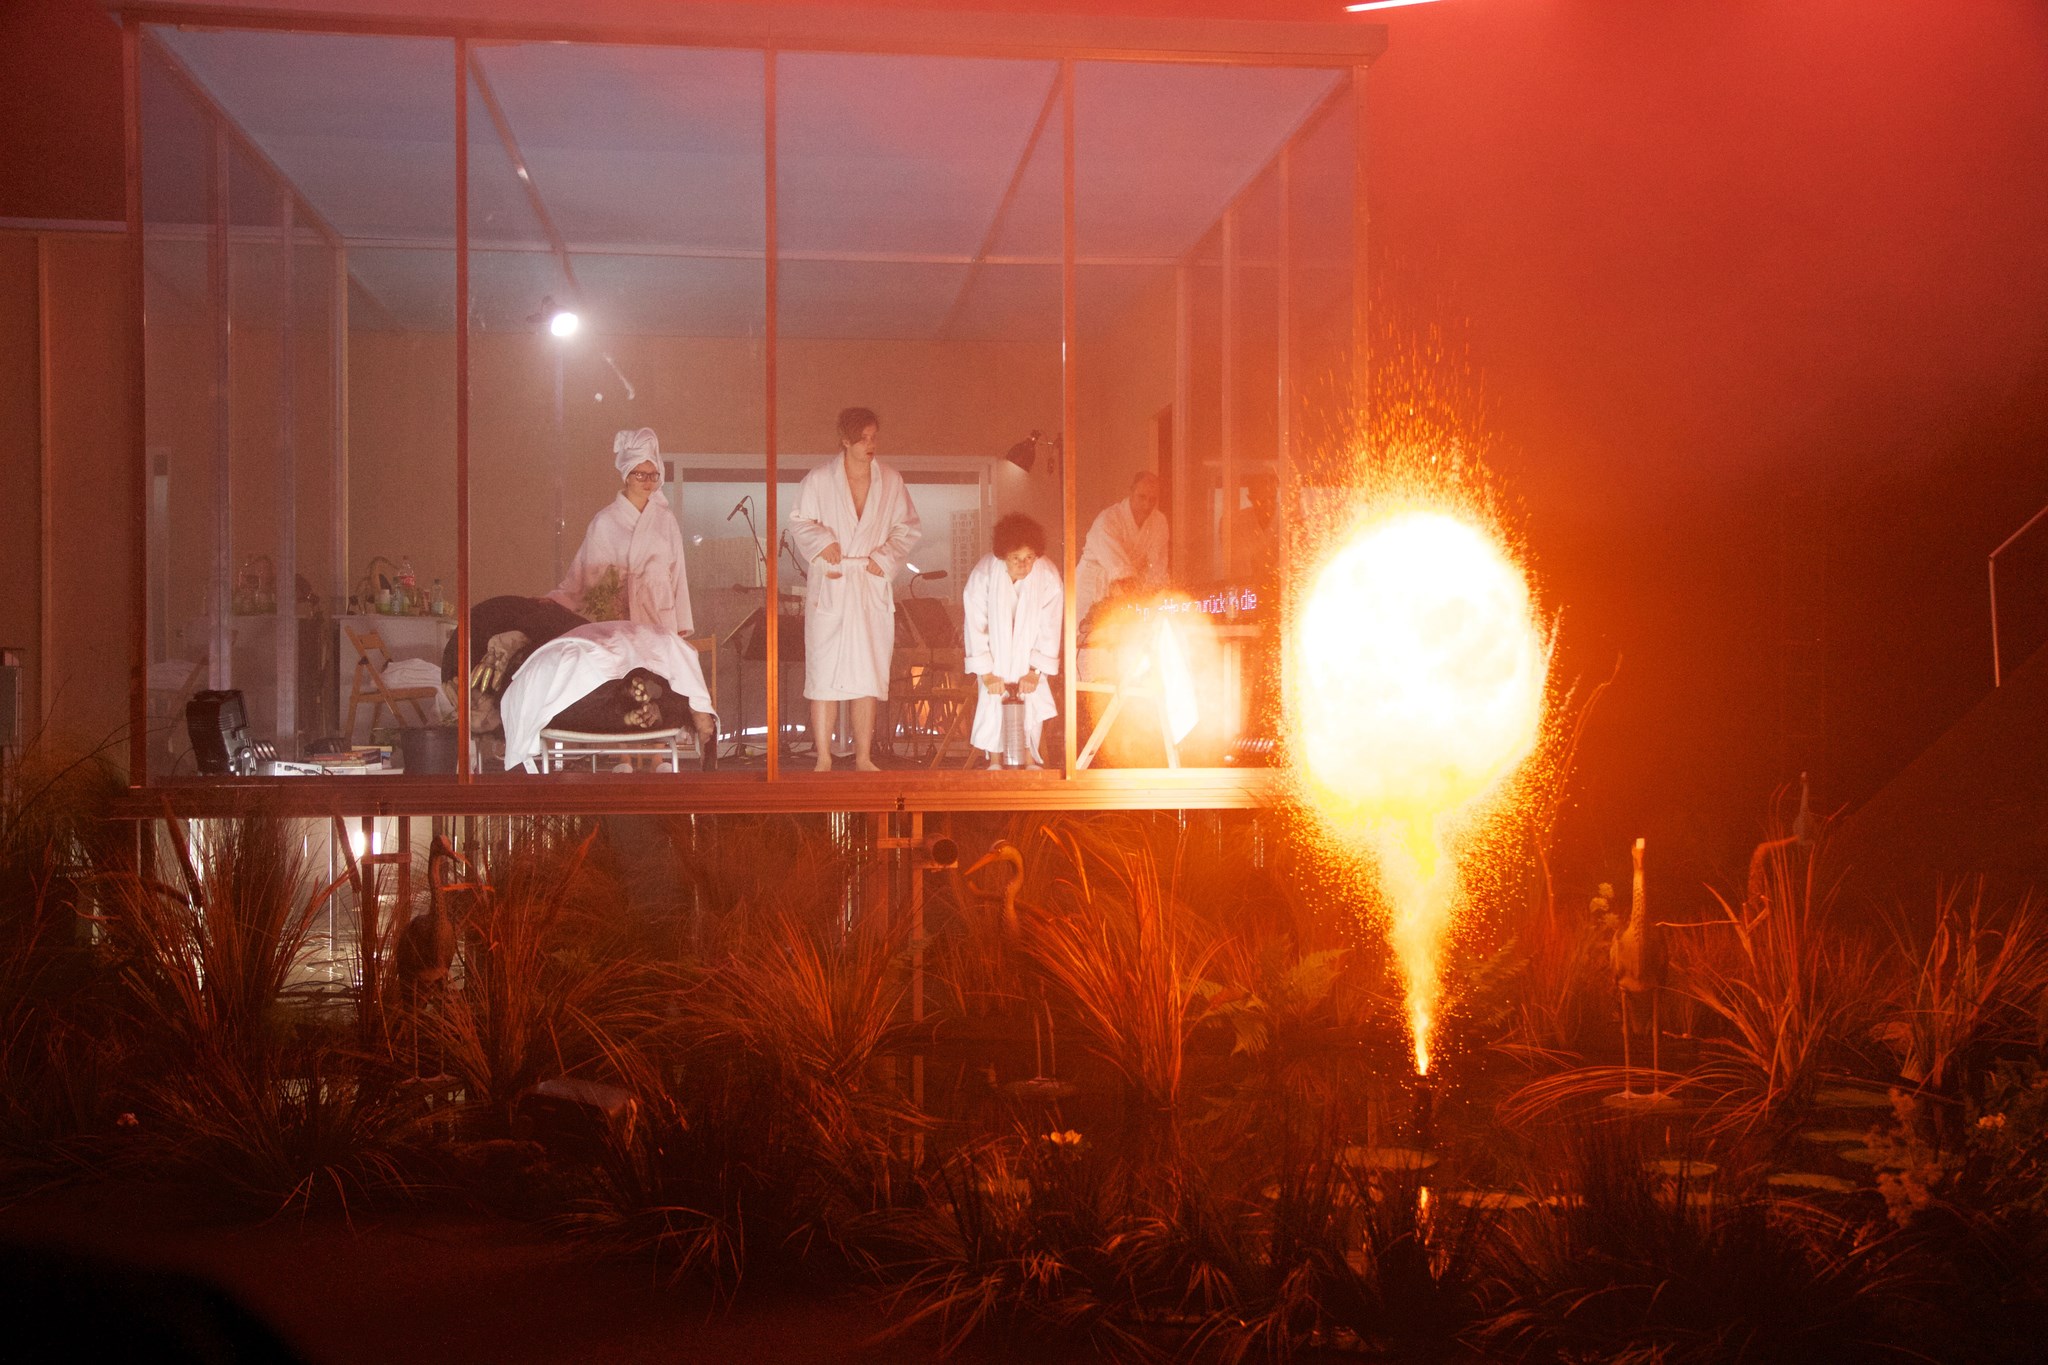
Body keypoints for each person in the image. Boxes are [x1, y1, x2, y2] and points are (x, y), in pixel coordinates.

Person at [787, 407, 921, 771]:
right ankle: (824, 758)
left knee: (868, 674)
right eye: (862, 439)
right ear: (845, 440)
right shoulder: (819, 480)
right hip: (833, 580)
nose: (870, 445)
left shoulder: (890, 480)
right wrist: (822, 542)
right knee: (823, 676)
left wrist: (886, 558)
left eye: (873, 437)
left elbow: (908, 527)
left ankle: (863, 757)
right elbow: (799, 521)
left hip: (868, 581)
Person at [547, 427, 694, 637]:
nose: (648, 481)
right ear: (626, 476)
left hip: (661, 619)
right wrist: (555, 601)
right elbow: (582, 576)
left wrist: (681, 626)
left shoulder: (666, 520)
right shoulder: (605, 521)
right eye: (640, 475)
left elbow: (678, 575)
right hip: (621, 620)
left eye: (653, 475)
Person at [961, 513, 1062, 768]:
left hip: (1028, 658)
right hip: (995, 658)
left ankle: (1028, 759)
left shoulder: (1048, 576)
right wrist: (986, 673)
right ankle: (995, 761)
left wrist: (1035, 671)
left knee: (1030, 700)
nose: (1024, 565)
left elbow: (1050, 626)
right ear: (1003, 554)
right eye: (1016, 558)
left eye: (1030, 557)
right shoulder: (983, 573)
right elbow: (975, 623)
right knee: (993, 699)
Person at [1074, 470, 1169, 629]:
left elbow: (1157, 567)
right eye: (1142, 497)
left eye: (1152, 500)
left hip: (1126, 588)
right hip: (1092, 586)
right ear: (1131, 492)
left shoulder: (1159, 522)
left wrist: (1156, 599)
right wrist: (1137, 603)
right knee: (1089, 637)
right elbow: (1120, 571)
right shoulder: (1108, 520)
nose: (1147, 505)